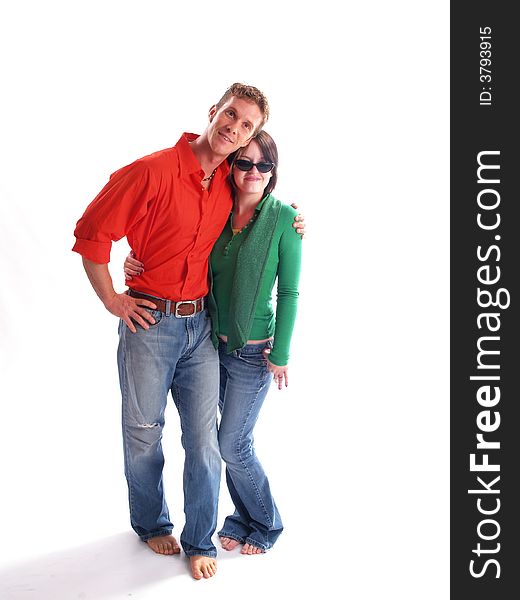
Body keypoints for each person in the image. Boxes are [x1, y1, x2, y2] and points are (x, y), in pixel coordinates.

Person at [72, 83, 303, 580]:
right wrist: (115, 298)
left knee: (205, 441)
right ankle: (151, 523)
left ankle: (200, 539)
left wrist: (294, 222)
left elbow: (258, 210)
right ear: (213, 111)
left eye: (247, 127)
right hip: (149, 324)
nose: (235, 129)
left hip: (201, 327)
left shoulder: (228, 179)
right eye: (232, 115)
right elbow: (91, 233)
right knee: (143, 432)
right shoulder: (150, 170)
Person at [125, 130, 301, 555]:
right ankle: (237, 519)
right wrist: (135, 258)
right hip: (209, 344)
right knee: (204, 439)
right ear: (231, 167)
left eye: (263, 165)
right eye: (244, 163)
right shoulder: (219, 212)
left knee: (229, 445)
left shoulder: (282, 220)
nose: (253, 172)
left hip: (254, 353)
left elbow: (290, 292)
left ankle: (264, 522)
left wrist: (281, 353)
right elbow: (178, 240)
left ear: (273, 171)